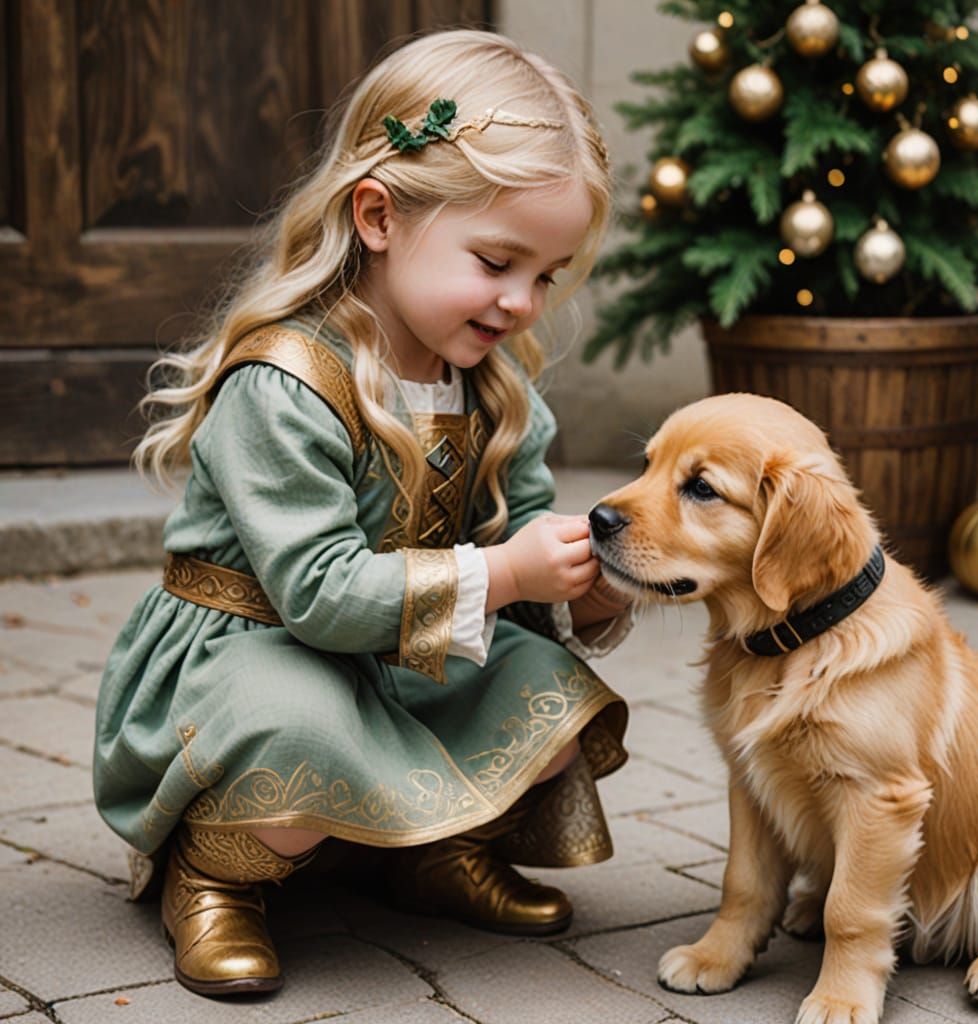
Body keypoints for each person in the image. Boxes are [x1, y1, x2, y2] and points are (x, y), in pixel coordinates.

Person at [93, 28, 634, 998]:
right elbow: (317, 596)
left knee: (547, 698)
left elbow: (519, 549)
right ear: (379, 216)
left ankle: (426, 854)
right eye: (497, 260)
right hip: (262, 646)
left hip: (399, 652)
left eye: (545, 276)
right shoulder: (286, 381)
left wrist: (581, 590)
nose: (521, 301)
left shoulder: (494, 388)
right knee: (297, 741)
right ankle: (215, 876)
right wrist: (503, 572)